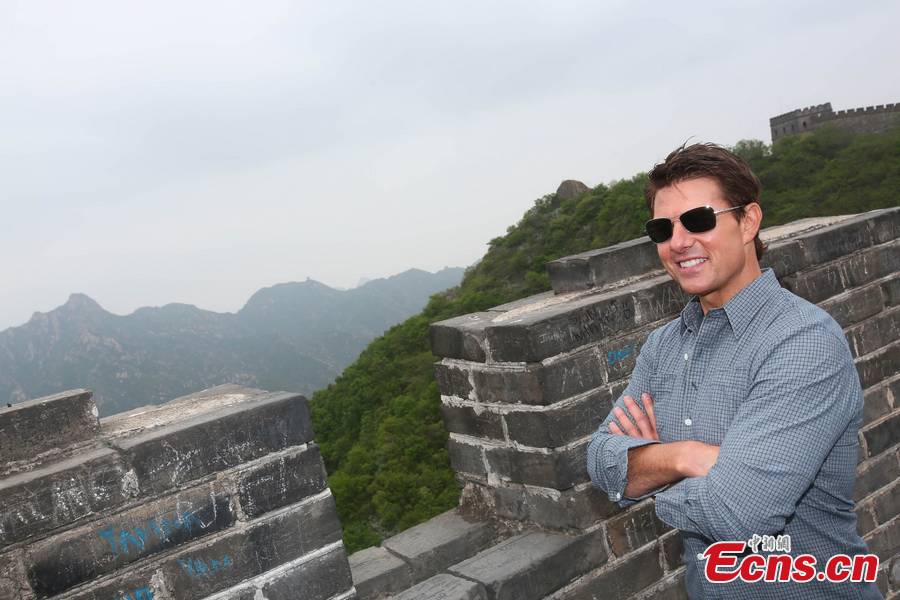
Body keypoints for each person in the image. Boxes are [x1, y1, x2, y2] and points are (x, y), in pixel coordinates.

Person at [586, 143, 881, 599]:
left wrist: (646, 473)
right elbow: (601, 460)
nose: (679, 242)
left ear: (748, 222)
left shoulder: (801, 342)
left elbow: (739, 514)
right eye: (662, 228)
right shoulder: (663, 348)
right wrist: (686, 456)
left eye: (700, 220)